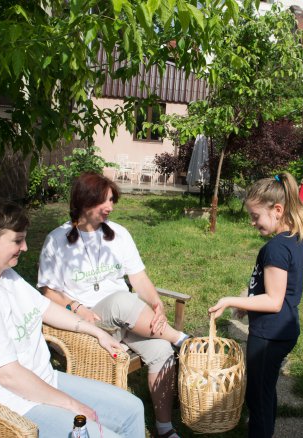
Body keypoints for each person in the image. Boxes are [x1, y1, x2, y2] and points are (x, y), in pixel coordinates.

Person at [0, 198, 144, 438]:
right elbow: (8, 375)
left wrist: (96, 331)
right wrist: (72, 405)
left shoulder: (6, 276)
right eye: (17, 240)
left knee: (132, 409)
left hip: (42, 382)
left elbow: (45, 308)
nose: (25, 247)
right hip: (2, 409)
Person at [38, 172, 190, 438]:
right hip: (88, 320)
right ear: (84, 201)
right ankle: (185, 341)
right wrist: (76, 307)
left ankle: (164, 427)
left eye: (112, 200)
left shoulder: (118, 234)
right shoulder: (57, 240)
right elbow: (47, 291)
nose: (110, 207)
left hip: (125, 318)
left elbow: (138, 277)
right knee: (122, 300)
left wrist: (156, 303)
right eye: (104, 201)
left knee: (161, 350)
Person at [209, 172, 303, 438]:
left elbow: (274, 301)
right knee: (265, 390)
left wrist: (230, 300)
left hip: (269, 334)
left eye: (255, 216)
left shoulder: (275, 249)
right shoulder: (293, 241)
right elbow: (275, 291)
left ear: (277, 210)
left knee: (257, 398)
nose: (252, 223)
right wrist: (249, 305)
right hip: (281, 331)